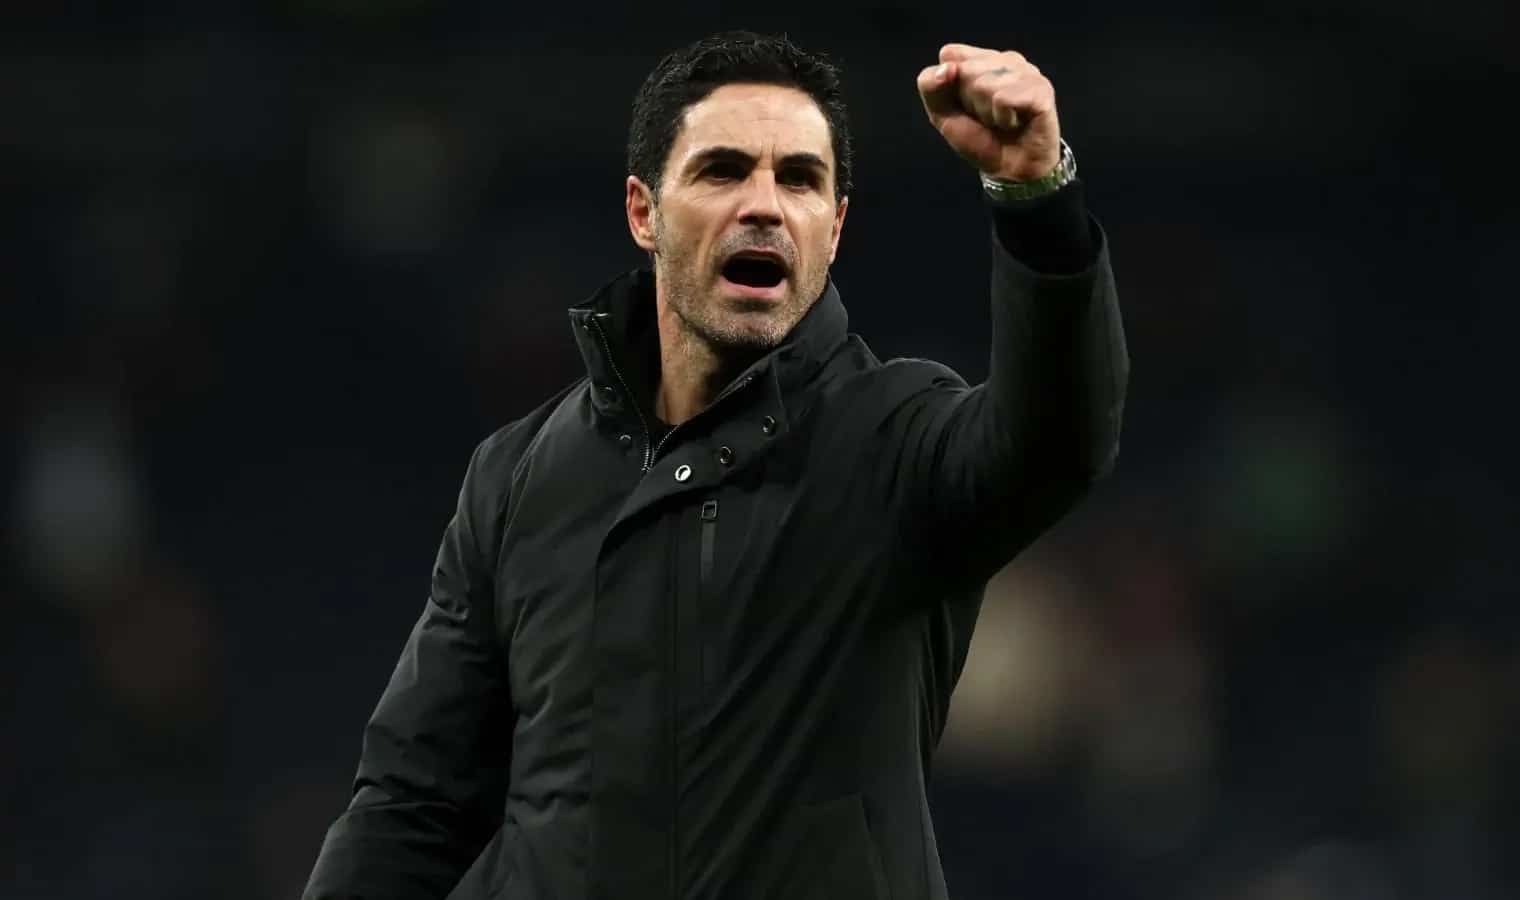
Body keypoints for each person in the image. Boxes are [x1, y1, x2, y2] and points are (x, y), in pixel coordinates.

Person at [304, 30, 1127, 900]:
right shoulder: (518, 478)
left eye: (799, 179)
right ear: (644, 213)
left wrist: (1038, 200)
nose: (764, 205)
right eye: (723, 171)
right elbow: (415, 804)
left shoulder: (895, 437)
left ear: (835, 228)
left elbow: (1057, 444)